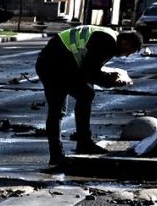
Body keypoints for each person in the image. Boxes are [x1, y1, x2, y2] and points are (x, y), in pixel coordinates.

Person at [35, 21, 144, 167]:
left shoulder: (109, 37)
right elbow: (89, 71)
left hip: (57, 62)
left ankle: (83, 143)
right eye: (129, 51)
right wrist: (111, 82)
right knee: (61, 108)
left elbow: (88, 68)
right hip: (53, 65)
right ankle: (59, 154)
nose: (126, 56)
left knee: (85, 94)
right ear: (125, 43)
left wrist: (108, 77)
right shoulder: (107, 42)